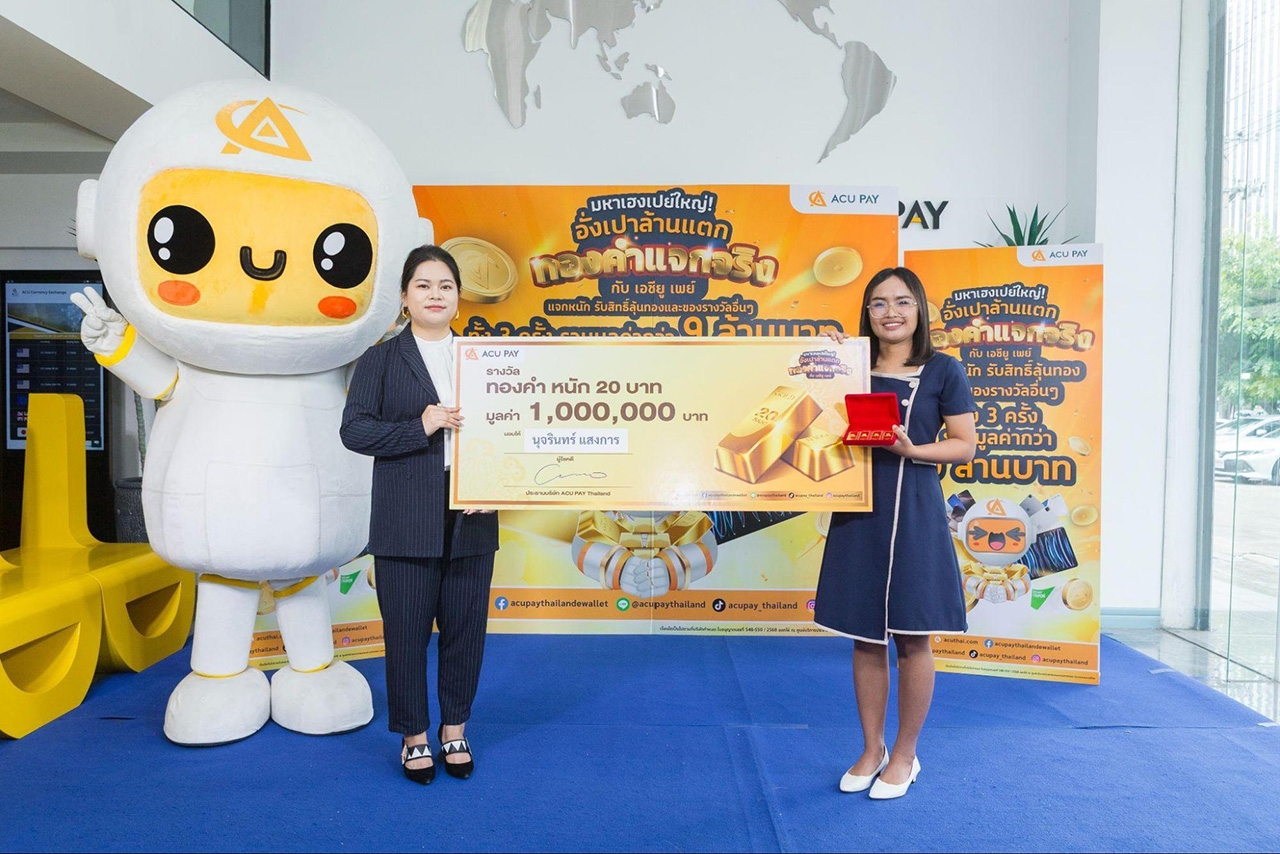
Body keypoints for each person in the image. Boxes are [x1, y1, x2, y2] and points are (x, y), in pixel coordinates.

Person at [816, 266, 977, 800]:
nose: (891, 312)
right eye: (879, 302)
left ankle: (905, 754)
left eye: (903, 302)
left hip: (915, 510)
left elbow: (964, 445)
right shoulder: (849, 364)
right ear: (867, 311)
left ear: (919, 309)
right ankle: (871, 749)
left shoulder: (943, 369)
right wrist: (821, 359)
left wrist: (913, 450)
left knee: (913, 635)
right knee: (865, 636)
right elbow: (807, 411)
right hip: (858, 509)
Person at [340, 245, 499, 784]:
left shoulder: (486, 359)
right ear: (405, 297)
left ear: (459, 297)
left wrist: (498, 484)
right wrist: (421, 425)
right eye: (424, 285)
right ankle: (413, 737)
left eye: (445, 286)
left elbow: (512, 431)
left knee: (465, 631)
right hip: (405, 517)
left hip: (473, 513)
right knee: (406, 634)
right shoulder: (381, 359)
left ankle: (455, 729)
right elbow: (354, 431)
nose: (436, 294)